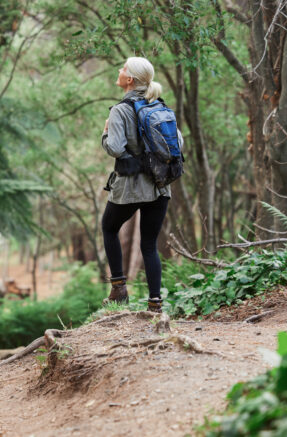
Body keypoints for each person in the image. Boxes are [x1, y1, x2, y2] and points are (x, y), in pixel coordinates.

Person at [101, 57, 172, 312]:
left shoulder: (120, 110)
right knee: (149, 244)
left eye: (122, 69)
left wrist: (106, 132)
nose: (119, 71)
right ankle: (155, 304)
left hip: (130, 187)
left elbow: (116, 148)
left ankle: (119, 289)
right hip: (160, 186)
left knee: (109, 228)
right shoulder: (160, 105)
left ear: (129, 79)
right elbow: (178, 145)